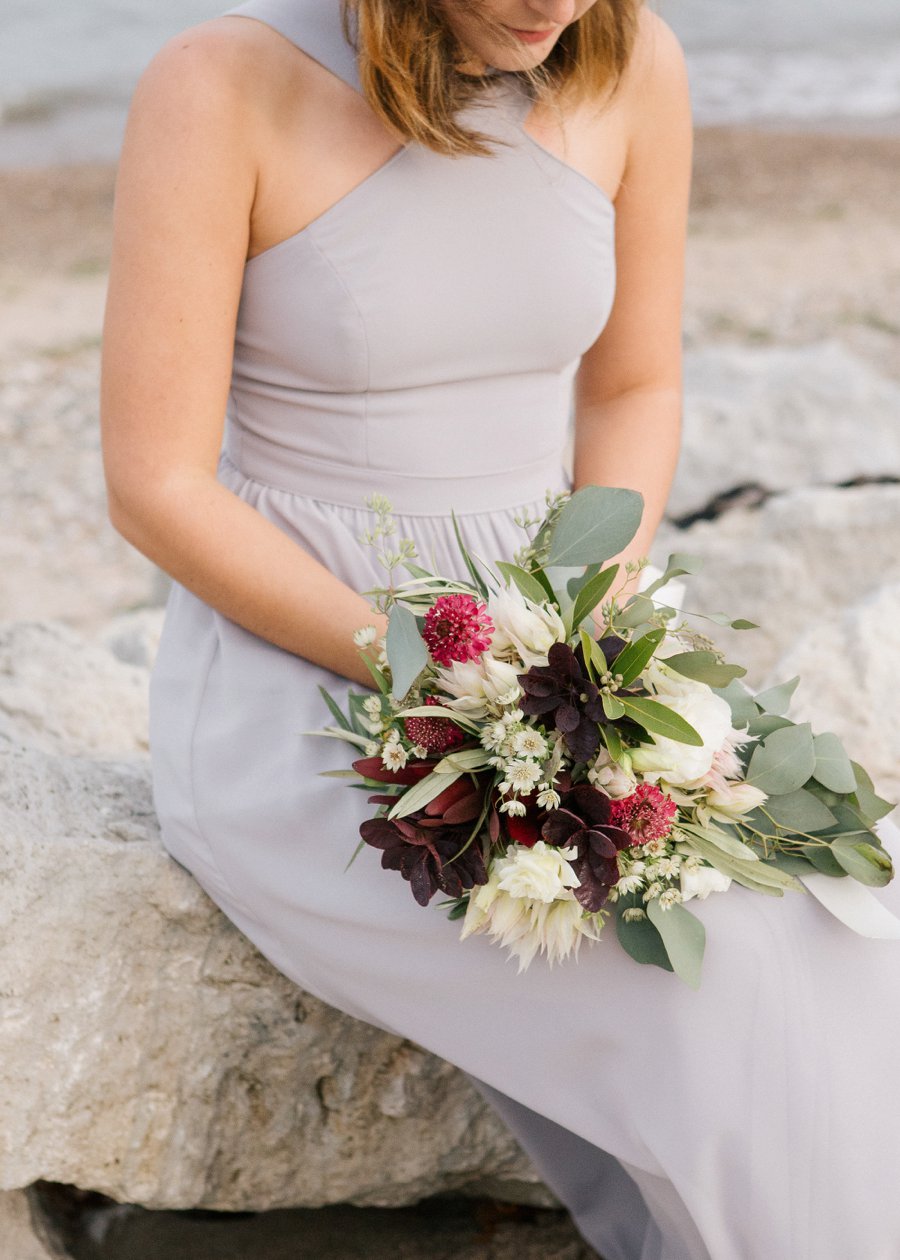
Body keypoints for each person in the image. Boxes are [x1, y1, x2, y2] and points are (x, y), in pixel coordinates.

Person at [100, 3, 900, 1257]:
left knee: (840, 923)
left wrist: (591, 628)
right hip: (313, 686)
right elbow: (156, 484)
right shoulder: (220, 87)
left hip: (567, 642)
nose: (556, 5)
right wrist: (438, 674)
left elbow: (636, 387)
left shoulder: (636, 61)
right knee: (712, 983)